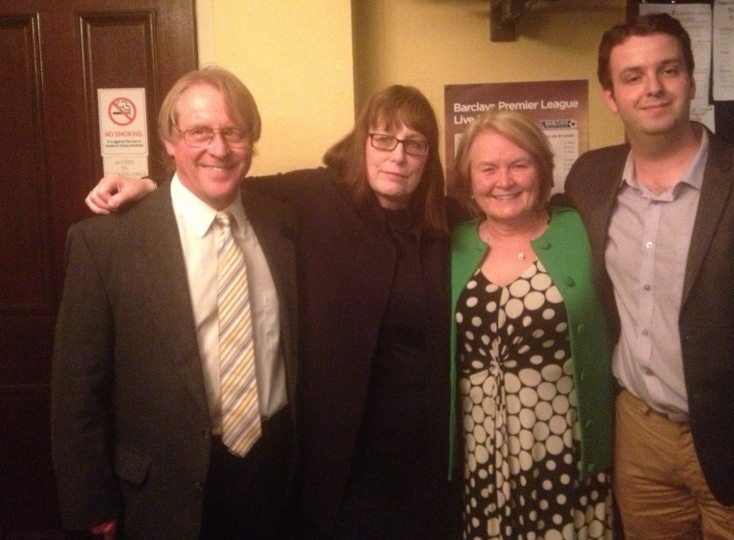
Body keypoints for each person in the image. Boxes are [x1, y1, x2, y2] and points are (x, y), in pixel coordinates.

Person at [85, 85, 463, 539]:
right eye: (383, 138)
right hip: (333, 457)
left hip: (420, 449)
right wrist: (149, 186)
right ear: (362, 142)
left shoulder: (451, 225)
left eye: (414, 143)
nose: (397, 155)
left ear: (429, 156)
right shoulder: (319, 196)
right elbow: (222, 180)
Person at [564, 13, 734, 539]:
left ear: (691, 79)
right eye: (633, 76)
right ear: (612, 96)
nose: (653, 88)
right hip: (639, 438)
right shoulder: (589, 177)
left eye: (669, 70)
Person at [51, 67, 298, 539]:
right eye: (199, 132)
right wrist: (92, 500)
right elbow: (77, 388)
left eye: (234, 132)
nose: (219, 148)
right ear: (168, 141)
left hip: (274, 477)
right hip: (162, 489)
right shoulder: (105, 244)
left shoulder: (283, 222)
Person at [450, 110, 614, 539]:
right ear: (468, 178)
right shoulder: (447, 242)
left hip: (565, 448)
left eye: (519, 165)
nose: (503, 180)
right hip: (479, 455)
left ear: (542, 169)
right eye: (487, 168)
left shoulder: (584, 230)